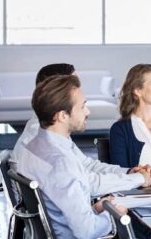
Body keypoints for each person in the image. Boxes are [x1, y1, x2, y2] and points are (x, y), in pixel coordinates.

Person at [10, 63, 151, 196]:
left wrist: (128, 172)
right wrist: (137, 179)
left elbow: (85, 165)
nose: (79, 90)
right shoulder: (43, 140)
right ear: (57, 90)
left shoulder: (48, 130)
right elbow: (87, 183)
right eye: (74, 84)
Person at [15, 75, 130, 238]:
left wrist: (95, 209)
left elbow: (60, 205)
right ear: (62, 116)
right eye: (83, 106)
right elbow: (87, 232)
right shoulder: (61, 162)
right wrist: (113, 214)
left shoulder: (33, 146)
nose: (88, 112)